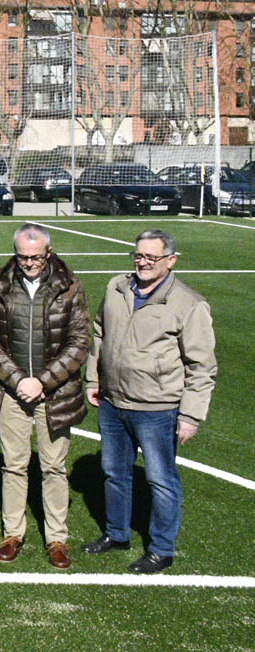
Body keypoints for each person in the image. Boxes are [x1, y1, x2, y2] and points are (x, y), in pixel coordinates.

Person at [85, 228, 217, 574]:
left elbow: (202, 366)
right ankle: (117, 534)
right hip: (114, 402)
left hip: (158, 409)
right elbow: (99, 333)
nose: (142, 262)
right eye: (138, 255)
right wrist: (94, 379)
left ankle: (161, 549)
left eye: (151, 257)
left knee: (161, 480)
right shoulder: (117, 287)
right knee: (114, 472)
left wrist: (190, 415)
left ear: (170, 261)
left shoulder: (189, 304)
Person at [0, 222, 91, 570]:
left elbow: (80, 341)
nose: (29, 263)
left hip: (55, 392)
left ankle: (57, 538)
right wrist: (17, 379)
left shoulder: (70, 286)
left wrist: (42, 380)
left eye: (36, 257)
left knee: (54, 466)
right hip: (11, 391)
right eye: (24, 257)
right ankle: (13, 533)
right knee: (14, 465)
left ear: (49, 254)